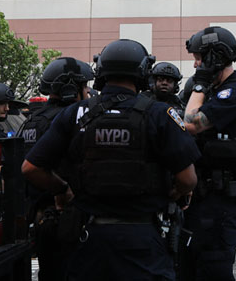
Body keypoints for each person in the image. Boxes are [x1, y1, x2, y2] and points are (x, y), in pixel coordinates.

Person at [21, 39, 200, 281]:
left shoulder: (74, 113)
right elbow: (188, 179)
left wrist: (64, 190)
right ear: (143, 72)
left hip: (88, 239)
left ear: (101, 71)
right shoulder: (159, 114)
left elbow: (31, 168)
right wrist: (174, 194)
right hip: (143, 238)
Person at [182, 26, 236, 281]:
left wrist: (200, 84)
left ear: (213, 58)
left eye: (199, 58)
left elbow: (191, 123)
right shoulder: (216, 92)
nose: (196, 64)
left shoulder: (235, 92)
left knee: (214, 267)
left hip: (220, 198)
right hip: (206, 196)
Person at [18, 57, 94, 281]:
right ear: (71, 89)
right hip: (66, 218)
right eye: (84, 86)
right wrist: (63, 190)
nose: (88, 91)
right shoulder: (66, 120)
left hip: (40, 218)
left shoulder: (31, 120)